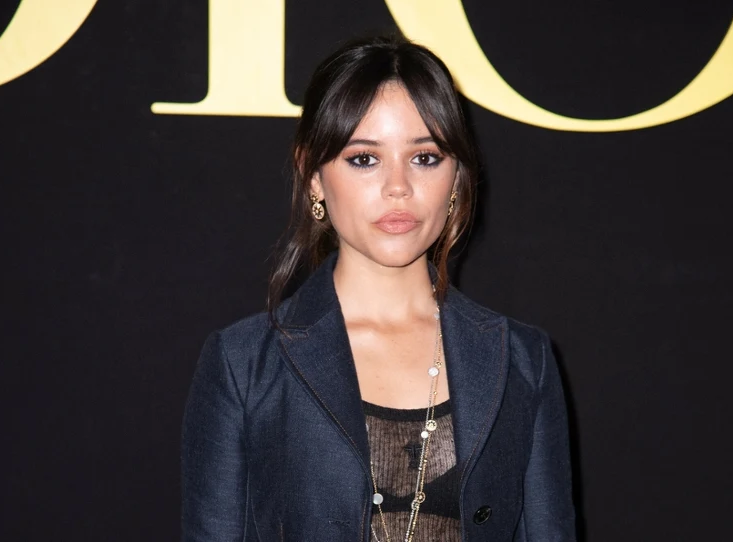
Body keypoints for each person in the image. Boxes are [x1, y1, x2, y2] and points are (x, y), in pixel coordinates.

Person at [181, 36, 576, 542]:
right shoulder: (243, 365)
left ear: (457, 176)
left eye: (425, 157)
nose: (398, 187)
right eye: (364, 159)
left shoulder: (522, 359)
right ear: (313, 176)